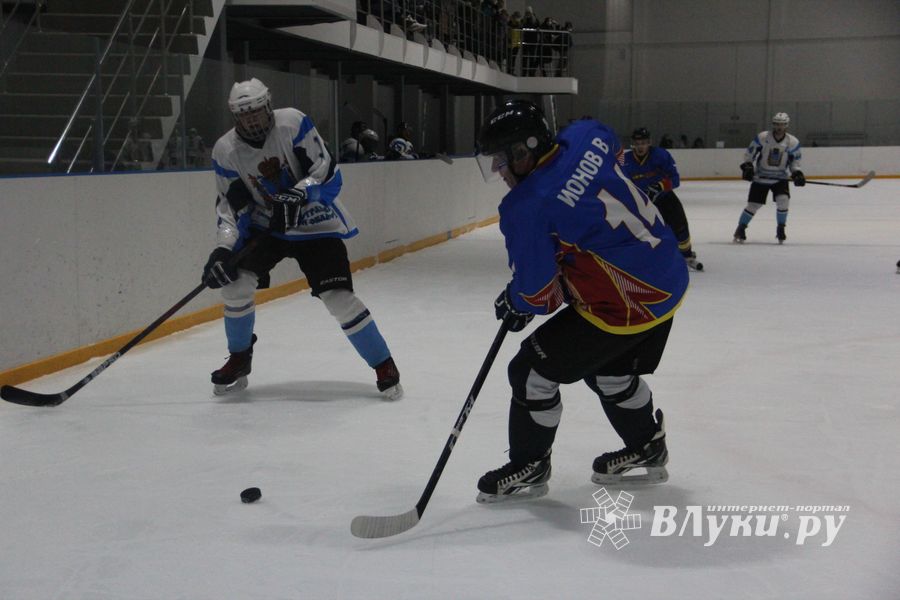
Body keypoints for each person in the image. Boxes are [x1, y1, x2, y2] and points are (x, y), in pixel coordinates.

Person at [472, 100, 689, 503]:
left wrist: (517, 301)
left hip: (629, 303)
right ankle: (647, 444)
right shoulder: (586, 135)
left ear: (525, 150)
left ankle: (529, 465)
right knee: (611, 372)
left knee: (530, 371)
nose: (500, 171)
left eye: (503, 160)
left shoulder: (528, 206)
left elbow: (539, 294)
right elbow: (615, 154)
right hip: (668, 275)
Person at [203, 78, 402, 399]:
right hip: (267, 227)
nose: (252, 120)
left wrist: (298, 194)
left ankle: (383, 363)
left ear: (268, 106)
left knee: (338, 298)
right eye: (244, 114)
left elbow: (327, 171)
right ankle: (239, 358)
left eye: (256, 111)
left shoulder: (292, 123)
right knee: (235, 285)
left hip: (313, 222)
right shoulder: (225, 150)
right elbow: (229, 206)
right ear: (235, 117)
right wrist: (223, 249)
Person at [622, 127, 702, 271]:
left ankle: (686, 254)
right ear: (633, 144)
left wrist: (660, 186)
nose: (640, 147)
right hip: (639, 202)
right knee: (634, 229)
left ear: (649, 142)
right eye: (637, 143)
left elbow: (675, 179)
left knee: (679, 224)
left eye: (643, 143)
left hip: (664, 198)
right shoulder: (624, 161)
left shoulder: (661, 155)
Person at [734, 112, 804, 244]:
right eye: (777, 124)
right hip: (761, 177)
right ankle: (741, 228)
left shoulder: (792, 142)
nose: (779, 127)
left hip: (780, 178)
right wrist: (748, 166)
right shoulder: (763, 137)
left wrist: (797, 173)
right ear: (773, 124)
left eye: (782, 124)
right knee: (754, 205)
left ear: (786, 125)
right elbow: (750, 153)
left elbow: (795, 161)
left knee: (783, 200)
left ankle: (781, 228)